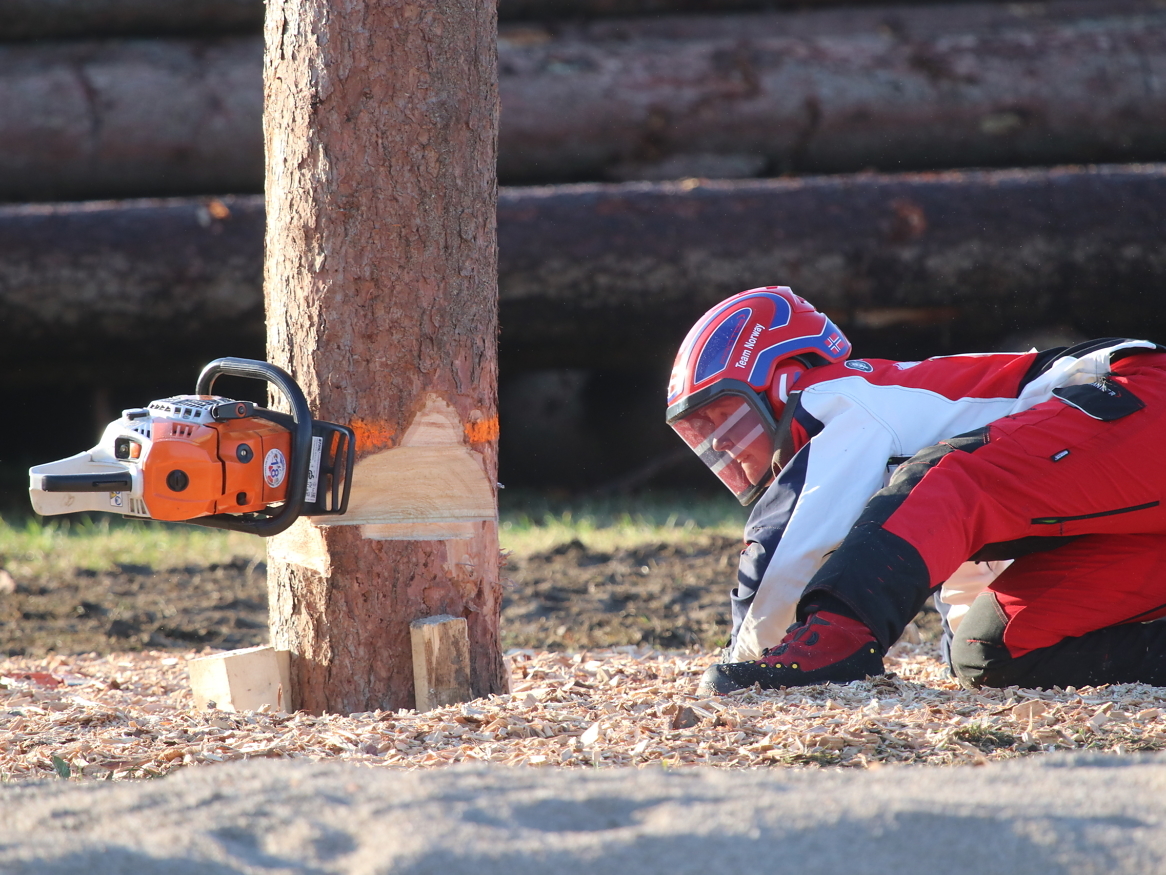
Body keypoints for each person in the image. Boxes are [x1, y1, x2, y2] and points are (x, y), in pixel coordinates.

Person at [665, 286, 1166, 694]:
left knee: (946, 476)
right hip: (1128, 479)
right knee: (987, 653)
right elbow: (959, 528)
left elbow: (791, 542)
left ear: (779, 381)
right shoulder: (927, 446)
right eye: (706, 437)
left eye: (728, 422)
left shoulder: (834, 397)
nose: (725, 450)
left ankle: (838, 644)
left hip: (1145, 392)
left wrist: (748, 660)